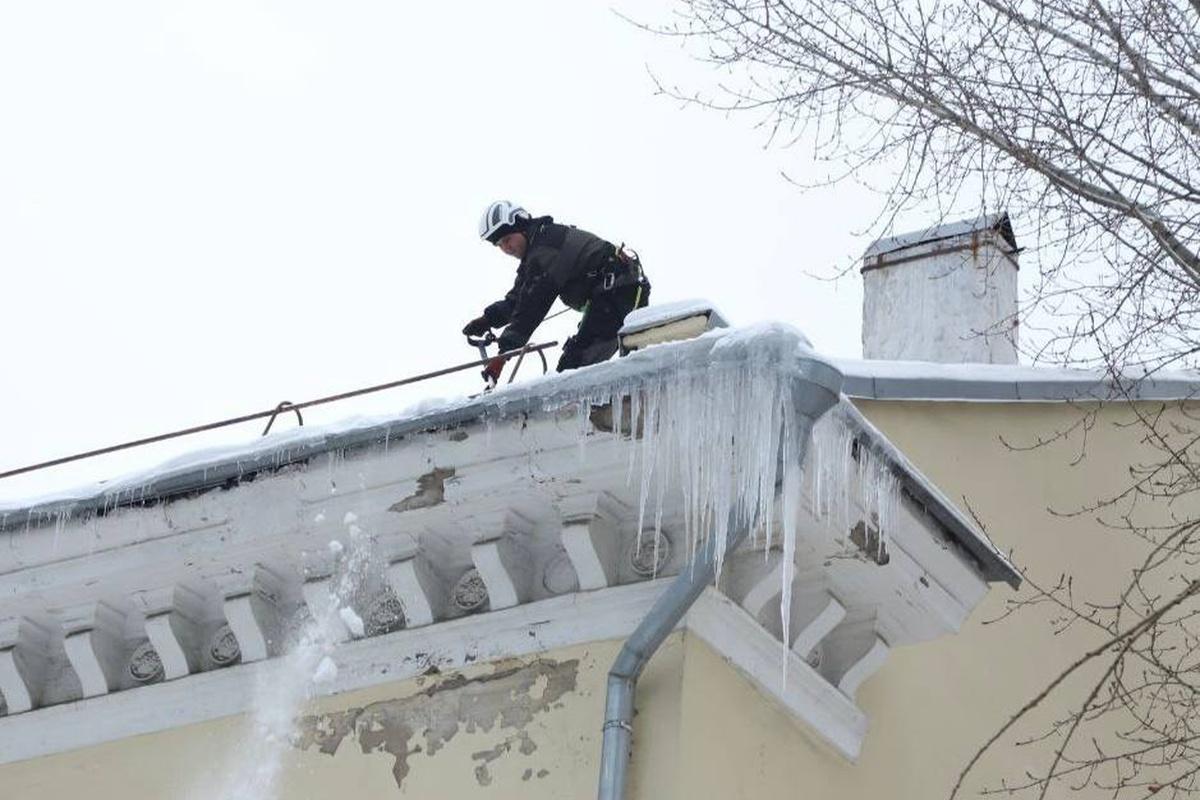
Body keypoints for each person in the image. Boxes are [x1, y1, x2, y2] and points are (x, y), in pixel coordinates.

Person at [463, 200, 651, 383]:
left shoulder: (547, 248)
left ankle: (601, 404)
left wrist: (503, 355)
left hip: (618, 292)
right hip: (614, 294)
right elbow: (518, 299)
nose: (506, 248)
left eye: (507, 239)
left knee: (574, 368)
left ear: (521, 228)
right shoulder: (536, 252)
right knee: (576, 364)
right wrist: (487, 319)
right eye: (500, 245)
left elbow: (531, 306)